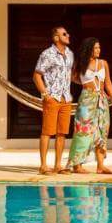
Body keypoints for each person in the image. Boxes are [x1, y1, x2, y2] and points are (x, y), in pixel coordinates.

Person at [67, 37, 112, 174]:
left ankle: (100, 165)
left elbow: (108, 83)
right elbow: (72, 78)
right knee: (83, 131)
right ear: (89, 49)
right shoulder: (80, 64)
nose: (98, 50)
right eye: (96, 48)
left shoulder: (103, 63)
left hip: (102, 100)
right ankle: (76, 164)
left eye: (99, 47)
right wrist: (85, 84)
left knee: (102, 131)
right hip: (86, 100)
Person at [33, 25, 75, 174]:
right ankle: (43, 166)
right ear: (56, 37)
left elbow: (71, 75)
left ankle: (58, 165)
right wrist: (46, 95)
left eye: (67, 33)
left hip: (66, 98)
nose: (68, 35)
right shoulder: (47, 54)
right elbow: (37, 75)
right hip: (53, 97)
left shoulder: (70, 54)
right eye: (64, 34)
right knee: (47, 132)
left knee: (62, 133)